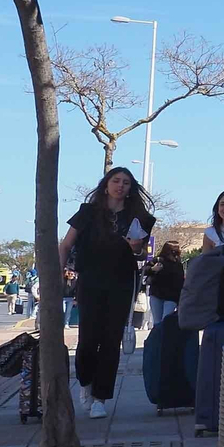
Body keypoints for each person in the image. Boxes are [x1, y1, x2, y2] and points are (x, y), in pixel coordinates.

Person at [58, 167, 156, 419]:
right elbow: (66, 244)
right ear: (106, 185)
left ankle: (101, 398)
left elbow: (142, 254)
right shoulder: (88, 213)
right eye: (116, 181)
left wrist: (136, 248)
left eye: (126, 182)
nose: (120, 186)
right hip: (91, 280)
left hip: (122, 281)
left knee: (112, 340)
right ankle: (85, 382)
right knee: (89, 338)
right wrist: (57, 273)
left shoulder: (139, 217)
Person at [144, 242, 185, 327]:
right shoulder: (158, 260)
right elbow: (143, 270)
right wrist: (152, 269)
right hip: (157, 294)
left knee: (166, 321)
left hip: (171, 297)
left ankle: (162, 338)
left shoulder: (178, 264)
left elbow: (180, 281)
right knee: (157, 322)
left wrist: (180, 299)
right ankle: (157, 339)